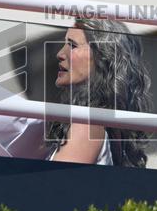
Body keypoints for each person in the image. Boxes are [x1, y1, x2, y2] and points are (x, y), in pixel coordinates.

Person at [48, 18, 151, 167]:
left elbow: (52, 188)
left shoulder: (87, 125)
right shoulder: (105, 125)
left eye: (72, 45)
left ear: (102, 57)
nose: (60, 54)